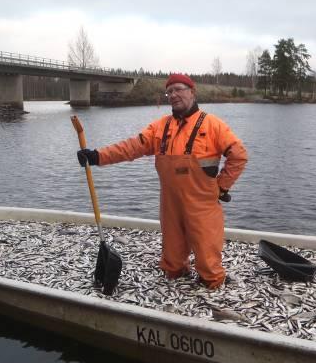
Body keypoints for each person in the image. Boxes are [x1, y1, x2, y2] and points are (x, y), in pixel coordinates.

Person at [77, 73, 248, 289]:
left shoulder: (214, 125)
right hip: (170, 203)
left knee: (208, 258)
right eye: (170, 91)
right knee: (172, 258)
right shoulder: (159, 128)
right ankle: (176, 276)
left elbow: (239, 155)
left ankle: (212, 285)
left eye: (179, 89)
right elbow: (130, 148)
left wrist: (222, 187)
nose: (174, 95)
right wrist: (96, 156)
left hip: (203, 203)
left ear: (192, 92)